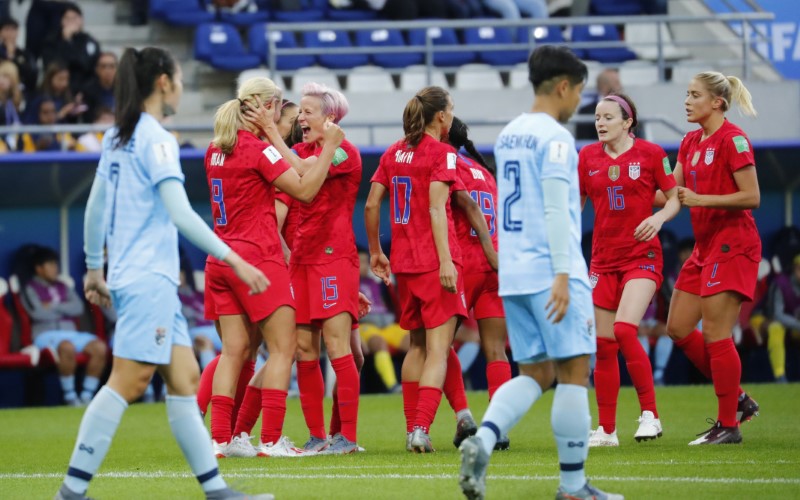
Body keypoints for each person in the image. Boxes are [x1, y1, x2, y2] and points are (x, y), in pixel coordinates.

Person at [55, 46, 272, 500]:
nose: (179, 85)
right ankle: (71, 492)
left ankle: (216, 490)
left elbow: (95, 208)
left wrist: (95, 267)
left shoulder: (117, 137)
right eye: (176, 77)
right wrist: (236, 259)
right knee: (129, 380)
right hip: (149, 279)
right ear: (162, 82)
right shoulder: (156, 139)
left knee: (185, 377)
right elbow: (181, 214)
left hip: (138, 277)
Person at [458, 45, 623, 500]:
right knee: (573, 375)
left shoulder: (510, 134)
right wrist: (563, 273)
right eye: (579, 93)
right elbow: (554, 206)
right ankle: (573, 487)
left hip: (513, 274)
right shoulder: (555, 137)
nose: (579, 105)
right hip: (553, 271)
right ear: (564, 87)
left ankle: (484, 438)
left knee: (535, 373)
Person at [203, 77, 346, 458]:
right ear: (266, 107)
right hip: (258, 260)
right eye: (279, 105)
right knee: (283, 350)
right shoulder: (258, 151)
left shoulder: (214, 149)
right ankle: (270, 440)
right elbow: (304, 190)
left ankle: (221, 440)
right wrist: (330, 149)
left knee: (234, 352)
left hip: (219, 259)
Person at [366, 85, 468, 453]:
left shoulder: (393, 152)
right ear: (440, 116)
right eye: (451, 109)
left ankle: (413, 428)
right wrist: (445, 261)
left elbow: (371, 203)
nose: (452, 116)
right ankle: (421, 429)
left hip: (405, 266)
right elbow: (437, 209)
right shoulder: (444, 154)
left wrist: (377, 251)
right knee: (439, 350)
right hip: (435, 262)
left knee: (417, 346)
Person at [578, 92, 680, 447]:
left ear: (627, 121)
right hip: (602, 261)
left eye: (607, 117)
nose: (600, 124)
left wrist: (659, 217)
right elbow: (577, 206)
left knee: (624, 329)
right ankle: (607, 430)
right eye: (596, 118)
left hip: (641, 256)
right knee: (603, 346)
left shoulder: (651, 154)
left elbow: (675, 197)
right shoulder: (587, 156)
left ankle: (650, 415)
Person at [665, 71, 761, 445]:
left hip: (734, 245)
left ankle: (728, 425)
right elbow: (674, 192)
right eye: (686, 95)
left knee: (717, 335)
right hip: (705, 248)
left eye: (694, 95)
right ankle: (737, 397)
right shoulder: (690, 141)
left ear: (717, 103)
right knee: (677, 328)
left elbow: (751, 196)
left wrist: (701, 199)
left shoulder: (733, 139)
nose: (687, 101)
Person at [446, 116, 515, 450]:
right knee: (496, 349)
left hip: (465, 262)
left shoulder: (445, 165)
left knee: (438, 348)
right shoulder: (484, 171)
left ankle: (463, 417)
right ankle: (498, 427)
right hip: (496, 264)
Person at [22, 246, 108, 406]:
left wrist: (52, 305)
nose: (55, 269)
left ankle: (86, 396)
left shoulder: (63, 286)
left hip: (72, 333)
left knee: (99, 347)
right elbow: (38, 313)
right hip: (45, 335)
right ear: (39, 268)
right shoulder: (30, 287)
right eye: (50, 265)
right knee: (66, 347)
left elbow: (78, 308)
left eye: (56, 265)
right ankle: (70, 397)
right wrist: (62, 307)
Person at [754, 253, 800, 383]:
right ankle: (780, 376)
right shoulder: (782, 283)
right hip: (762, 318)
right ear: (794, 268)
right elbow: (777, 315)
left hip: (792, 323)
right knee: (776, 328)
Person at [42, 3, 101, 94]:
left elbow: (85, 65)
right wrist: (67, 41)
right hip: (58, 90)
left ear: (81, 20)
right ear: (61, 21)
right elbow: (53, 65)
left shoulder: (89, 41)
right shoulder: (51, 41)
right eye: (67, 18)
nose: (71, 22)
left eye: (74, 18)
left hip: (86, 90)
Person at [575, 68, 622, 141]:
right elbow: (583, 142)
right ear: (604, 86)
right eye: (616, 83)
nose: (620, 87)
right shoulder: (586, 112)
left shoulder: (627, 109)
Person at [0, 17, 38, 99]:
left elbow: (31, 74)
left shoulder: (24, 54)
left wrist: (12, 57)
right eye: (7, 29)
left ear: (18, 32)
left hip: (21, 90)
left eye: (13, 30)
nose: (10, 33)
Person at [82, 52, 117, 123]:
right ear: (97, 69)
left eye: (111, 66)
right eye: (103, 66)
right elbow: (88, 118)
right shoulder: (88, 92)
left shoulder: (125, 90)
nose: (108, 71)